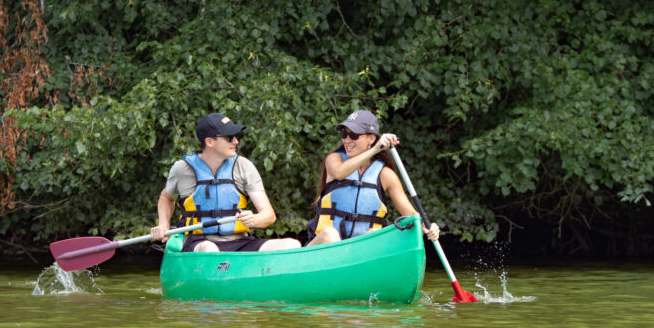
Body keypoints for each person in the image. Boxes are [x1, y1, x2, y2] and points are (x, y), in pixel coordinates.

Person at [151, 113, 301, 252]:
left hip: (241, 242)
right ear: (209, 142)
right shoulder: (181, 169)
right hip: (198, 242)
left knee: (292, 244)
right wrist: (163, 223)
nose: (236, 141)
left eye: (235, 136)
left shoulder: (243, 166)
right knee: (209, 249)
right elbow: (166, 198)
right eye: (229, 137)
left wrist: (254, 219)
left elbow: (269, 216)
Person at [305, 109, 440, 245]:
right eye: (344, 133)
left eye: (354, 135)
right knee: (330, 234)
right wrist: (375, 149)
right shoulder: (335, 159)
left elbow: (411, 215)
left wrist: (428, 228)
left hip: (360, 251)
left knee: (375, 234)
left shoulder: (385, 174)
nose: (347, 140)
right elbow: (339, 173)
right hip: (323, 248)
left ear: (372, 138)